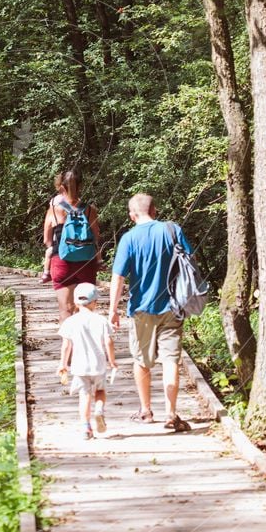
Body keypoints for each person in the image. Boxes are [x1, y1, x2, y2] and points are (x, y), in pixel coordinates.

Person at [108, 192, 193, 432]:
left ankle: (145, 410)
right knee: (170, 360)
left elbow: (119, 277)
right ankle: (171, 413)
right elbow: (189, 261)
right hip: (172, 306)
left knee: (141, 361)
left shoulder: (129, 238)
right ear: (154, 211)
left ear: (132, 215)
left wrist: (112, 310)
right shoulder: (172, 230)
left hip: (141, 309)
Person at [57, 282, 117, 440]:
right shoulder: (101, 320)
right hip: (98, 365)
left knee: (84, 396)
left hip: (79, 367)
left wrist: (63, 364)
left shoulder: (70, 321)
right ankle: (99, 409)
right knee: (100, 391)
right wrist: (112, 361)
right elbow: (109, 342)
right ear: (95, 302)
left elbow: (66, 346)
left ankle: (86, 427)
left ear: (75, 302)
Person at [43, 168, 102, 322]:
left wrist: (55, 247)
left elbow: (47, 240)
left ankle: (68, 346)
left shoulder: (54, 210)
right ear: (80, 186)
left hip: (61, 262)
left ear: (61, 187)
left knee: (65, 311)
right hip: (86, 262)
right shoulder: (89, 210)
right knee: (85, 310)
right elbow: (96, 237)